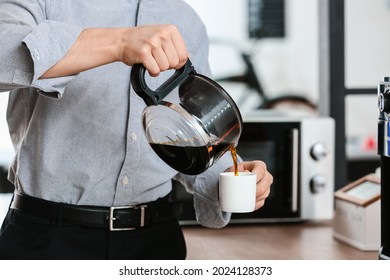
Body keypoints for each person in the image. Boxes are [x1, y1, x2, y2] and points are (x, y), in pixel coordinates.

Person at [0, 0, 273, 260]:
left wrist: (228, 175)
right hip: (47, 239)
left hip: (156, 241)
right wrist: (118, 42)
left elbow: (193, 129)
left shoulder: (186, 20)